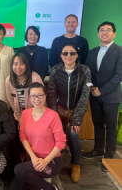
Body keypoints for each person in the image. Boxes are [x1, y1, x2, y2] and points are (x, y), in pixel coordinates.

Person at [9, 82, 66, 190]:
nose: (37, 99)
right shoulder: (25, 114)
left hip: (51, 163)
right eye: (33, 96)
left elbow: (61, 142)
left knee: (18, 170)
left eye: (40, 95)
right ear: (29, 97)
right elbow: (23, 136)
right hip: (33, 160)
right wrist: (33, 157)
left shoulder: (53, 116)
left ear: (45, 95)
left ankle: (50, 188)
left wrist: (45, 161)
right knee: (18, 181)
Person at [47, 43, 91, 182]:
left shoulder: (85, 70)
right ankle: (56, 160)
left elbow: (85, 95)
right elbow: (51, 94)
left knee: (73, 134)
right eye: (65, 53)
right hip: (59, 109)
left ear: (77, 55)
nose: (68, 56)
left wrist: (76, 118)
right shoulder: (55, 70)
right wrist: (54, 114)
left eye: (72, 53)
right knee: (56, 135)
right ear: (61, 55)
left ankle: (75, 164)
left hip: (75, 110)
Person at [82, 22, 122, 172]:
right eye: (101, 30)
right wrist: (92, 88)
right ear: (98, 33)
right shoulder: (92, 52)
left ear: (114, 33)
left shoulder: (119, 51)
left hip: (111, 97)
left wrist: (102, 90)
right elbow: (88, 72)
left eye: (108, 30)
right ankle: (98, 150)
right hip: (94, 95)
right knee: (97, 124)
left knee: (111, 128)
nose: (104, 32)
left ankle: (109, 156)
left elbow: (119, 75)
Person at [5, 53, 44, 165]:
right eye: (15, 64)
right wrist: (19, 117)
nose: (18, 67)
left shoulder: (35, 77)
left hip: (36, 113)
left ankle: (36, 158)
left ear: (26, 65)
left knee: (34, 134)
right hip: (19, 114)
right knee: (15, 134)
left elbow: (41, 99)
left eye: (22, 64)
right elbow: (10, 100)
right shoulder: (9, 80)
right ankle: (20, 159)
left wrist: (27, 118)